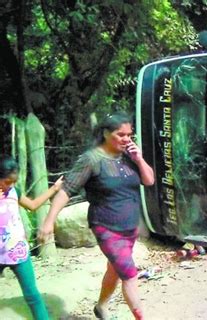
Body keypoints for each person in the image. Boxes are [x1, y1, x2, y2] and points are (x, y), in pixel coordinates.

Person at [38, 112, 155, 319]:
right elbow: (66, 190)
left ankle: (101, 307)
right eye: (121, 134)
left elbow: (149, 180)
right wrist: (48, 222)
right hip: (106, 227)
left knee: (114, 269)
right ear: (105, 133)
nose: (127, 138)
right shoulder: (91, 160)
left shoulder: (129, 156)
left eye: (129, 134)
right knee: (129, 274)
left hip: (129, 228)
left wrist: (139, 159)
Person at [0, 155, 64, 320]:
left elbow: (33, 205)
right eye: (7, 181)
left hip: (18, 251)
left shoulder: (14, 192)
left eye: (14, 181)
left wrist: (54, 189)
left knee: (32, 295)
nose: (11, 185)